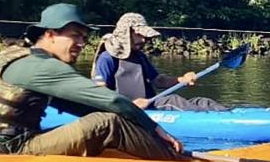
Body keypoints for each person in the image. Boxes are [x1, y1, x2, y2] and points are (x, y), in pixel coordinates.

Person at [0, 3, 186, 158]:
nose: (81, 43)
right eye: (74, 35)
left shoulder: (13, 54)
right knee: (107, 122)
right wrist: (155, 129)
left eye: (84, 37)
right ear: (50, 35)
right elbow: (115, 103)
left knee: (105, 118)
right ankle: (177, 159)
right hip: (12, 148)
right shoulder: (45, 67)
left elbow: (74, 104)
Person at [91, 12, 227, 111]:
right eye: (139, 34)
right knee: (173, 100)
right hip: (134, 111)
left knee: (203, 101)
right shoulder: (107, 58)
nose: (144, 40)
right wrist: (129, 105)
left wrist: (182, 79)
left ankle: (228, 114)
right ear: (126, 33)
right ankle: (216, 122)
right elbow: (99, 93)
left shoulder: (139, 56)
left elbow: (158, 81)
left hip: (150, 105)